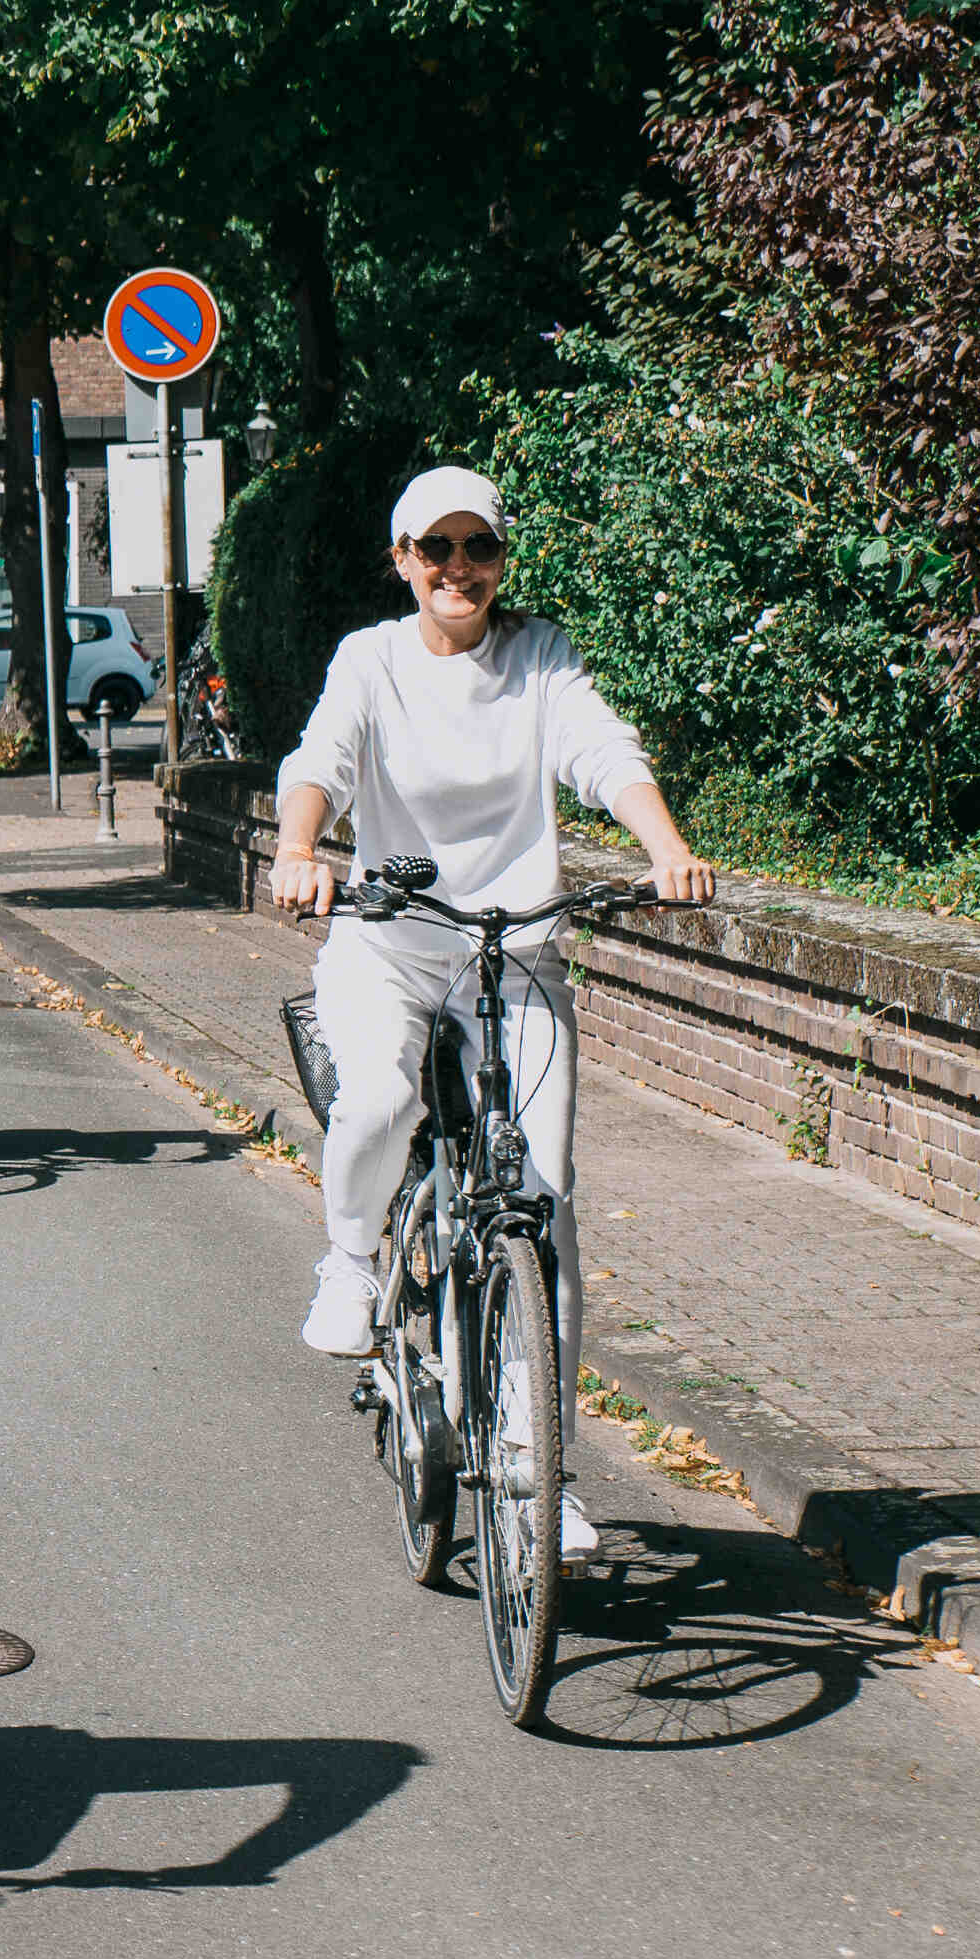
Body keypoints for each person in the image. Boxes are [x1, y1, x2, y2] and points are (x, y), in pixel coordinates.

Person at [270, 465, 716, 1557]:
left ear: (500, 560)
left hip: (516, 955)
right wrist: (297, 847)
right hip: (392, 942)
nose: (458, 570)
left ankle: (535, 1470)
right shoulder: (369, 659)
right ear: (402, 560)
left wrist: (663, 847)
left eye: (479, 549)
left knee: (544, 1211)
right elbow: (320, 759)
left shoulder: (539, 655)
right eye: (436, 550)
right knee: (374, 1099)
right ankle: (349, 1258)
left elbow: (600, 750)